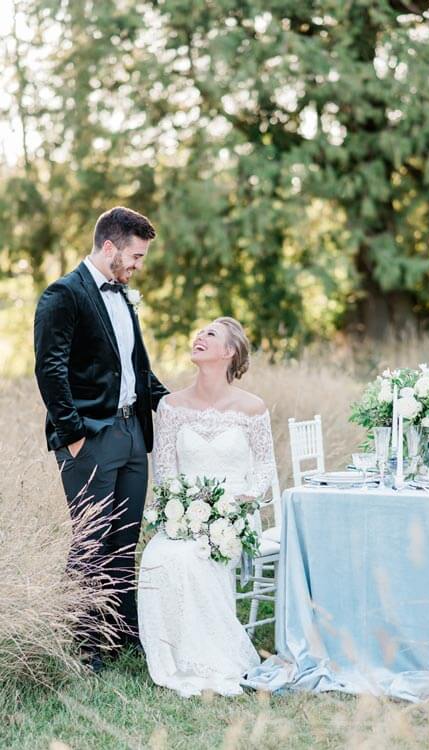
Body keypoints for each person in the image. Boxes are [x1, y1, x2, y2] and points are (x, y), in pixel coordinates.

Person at [34, 206, 168, 672]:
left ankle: (120, 633)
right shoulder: (63, 295)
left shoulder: (125, 296)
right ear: (109, 247)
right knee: (92, 540)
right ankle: (85, 644)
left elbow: (138, 368)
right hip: (90, 436)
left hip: (133, 433)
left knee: (125, 539)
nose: (138, 265)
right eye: (135, 256)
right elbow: (49, 369)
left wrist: (174, 407)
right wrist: (73, 437)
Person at [138, 317, 277, 697]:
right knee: (160, 555)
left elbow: (265, 465)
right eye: (199, 332)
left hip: (234, 514)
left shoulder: (252, 407)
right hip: (184, 513)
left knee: (198, 556)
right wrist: (179, 508)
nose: (199, 337)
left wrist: (244, 499)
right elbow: (165, 471)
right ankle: (176, 658)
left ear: (229, 352)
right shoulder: (170, 406)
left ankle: (215, 656)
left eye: (210, 334)